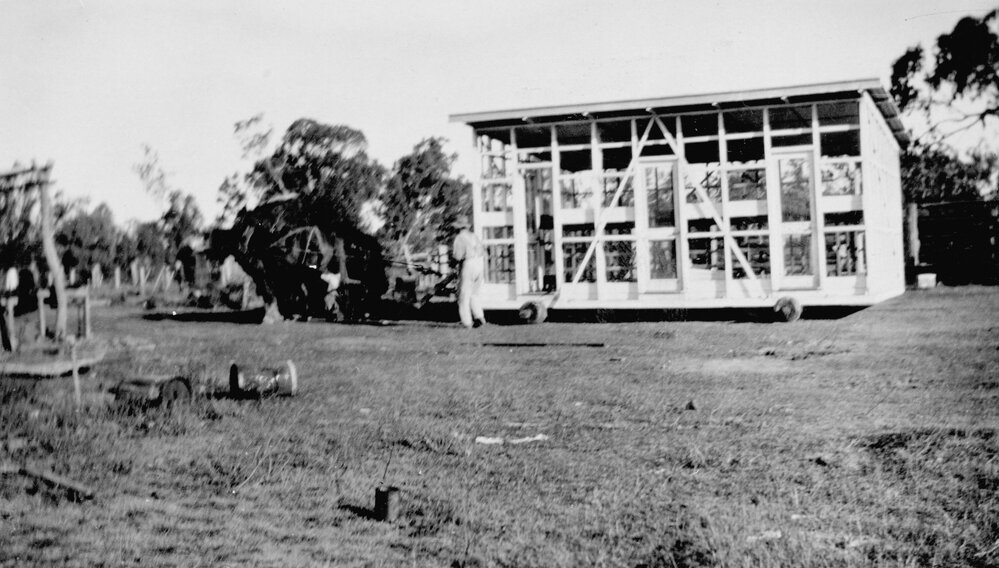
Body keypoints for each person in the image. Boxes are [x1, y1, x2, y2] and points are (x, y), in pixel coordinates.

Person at [451, 215, 486, 328]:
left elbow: (458, 256)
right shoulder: (474, 236)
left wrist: (452, 264)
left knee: (463, 295)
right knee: (474, 293)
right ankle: (479, 317)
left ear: (458, 227)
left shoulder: (459, 238)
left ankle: (467, 322)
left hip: (468, 264)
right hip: (479, 263)